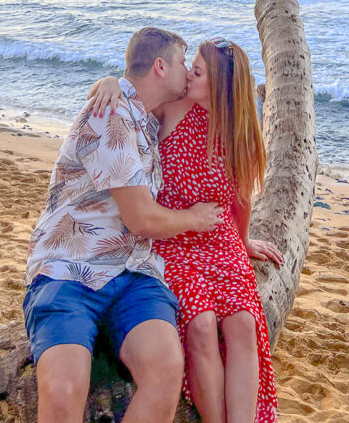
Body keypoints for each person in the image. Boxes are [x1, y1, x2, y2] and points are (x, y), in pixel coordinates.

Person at [23, 26, 224, 423]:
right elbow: (141, 218)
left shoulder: (148, 121)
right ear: (161, 67)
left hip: (133, 274)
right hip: (70, 271)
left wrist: (111, 78)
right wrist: (196, 219)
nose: (188, 72)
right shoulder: (111, 116)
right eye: (184, 63)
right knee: (63, 389)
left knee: (166, 369)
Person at [89, 37, 282, 423]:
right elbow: (132, 99)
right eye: (190, 66)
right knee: (202, 324)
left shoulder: (240, 130)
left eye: (197, 71)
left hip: (221, 239)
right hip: (173, 238)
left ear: (221, 86)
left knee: (244, 323)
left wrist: (243, 243)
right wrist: (108, 81)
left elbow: (241, 197)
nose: (188, 75)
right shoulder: (174, 108)